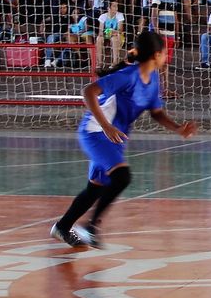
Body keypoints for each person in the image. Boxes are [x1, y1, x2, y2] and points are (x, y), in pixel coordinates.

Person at [50, 31, 196, 247]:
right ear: (156, 54)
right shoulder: (128, 75)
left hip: (115, 137)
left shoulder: (153, 78)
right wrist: (106, 125)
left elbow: (156, 112)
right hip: (95, 132)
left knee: (96, 187)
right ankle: (92, 227)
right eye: (165, 53)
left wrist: (178, 128)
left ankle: (62, 227)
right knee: (121, 176)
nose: (167, 56)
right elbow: (88, 91)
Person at [96, 0, 125, 68]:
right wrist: (108, 32)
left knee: (114, 38)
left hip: (117, 35)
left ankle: (115, 61)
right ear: (108, 8)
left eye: (117, 6)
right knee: (99, 38)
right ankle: (99, 62)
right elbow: (100, 31)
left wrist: (113, 32)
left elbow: (120, 30)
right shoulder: (103, 16)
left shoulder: (120, 15)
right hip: (107, 34)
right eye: (114, 6)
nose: (116, 8)